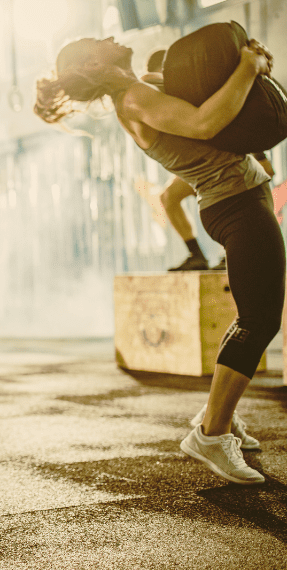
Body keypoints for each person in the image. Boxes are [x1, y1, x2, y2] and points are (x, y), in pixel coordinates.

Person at [35, 36, 283, 484]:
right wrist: (248, 66)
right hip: (234, 204)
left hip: (242, 196)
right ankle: (211, 434)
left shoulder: (142, 84)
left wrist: (240, 63)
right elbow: (206, 123)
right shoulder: (134, 99)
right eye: (99, 40)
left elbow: (209, 92)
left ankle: (217, 413)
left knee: (253, 314)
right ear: (94, 61)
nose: (111, 37)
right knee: (260, 320)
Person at [140, 48, 276, 272]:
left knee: (233, 207)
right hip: (208, 171)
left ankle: (233, 254)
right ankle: (197, 255)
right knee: (168, 196)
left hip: (243, 166)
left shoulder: (199, 87)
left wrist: (260, 158)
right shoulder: (165, 104)